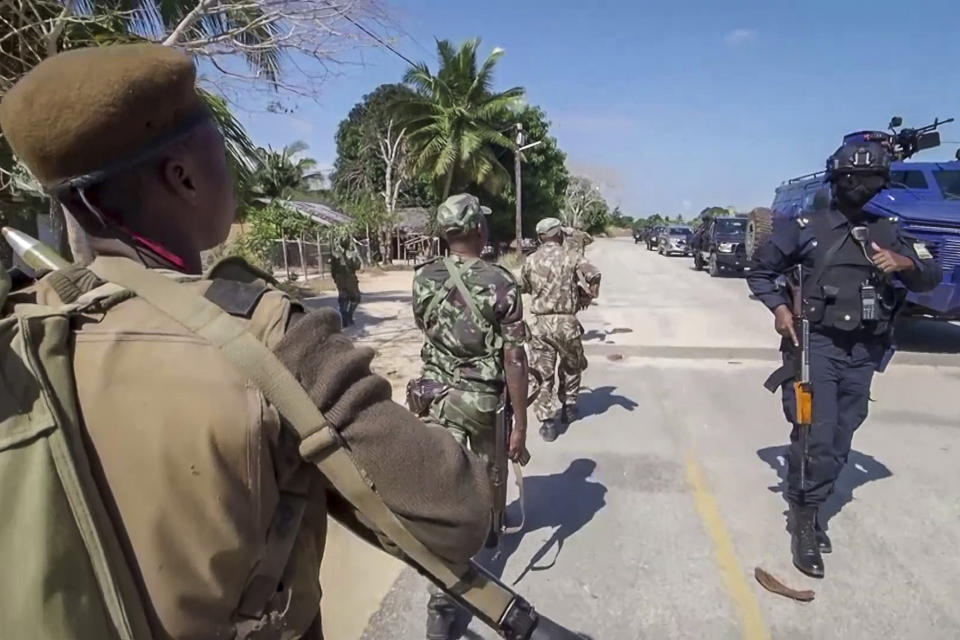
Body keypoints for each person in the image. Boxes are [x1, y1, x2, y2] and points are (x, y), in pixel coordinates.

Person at [0, 44, 495, 639]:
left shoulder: (24, 331)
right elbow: (458, 512)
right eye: (222, 152)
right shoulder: (271, 338)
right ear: (182, 176)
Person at [747, 136, 940, 579]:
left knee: (842, 436)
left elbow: (931, 275)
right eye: (854, 178)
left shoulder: (889, 230)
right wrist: (779, 309)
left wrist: (904, 264)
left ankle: (812, 505)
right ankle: (804, 520)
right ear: (837, 180)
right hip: (817, 347)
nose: (861, 187)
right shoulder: (804, 226)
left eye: (870, 179)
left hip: (864, 350)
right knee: (815, 433)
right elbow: (760, 271)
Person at [409, 193, 529, 640]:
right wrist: (520, 423)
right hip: (479, 402)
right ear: (478, 229)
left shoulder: (423, 278)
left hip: (430, 397)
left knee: (443, 491)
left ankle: (471, 548)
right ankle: (445, 599)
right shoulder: (500, 282)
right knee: (478, 487)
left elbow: (429, 332)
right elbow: (514, 359)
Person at [522, 217, 601, 442]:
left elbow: (525, 287)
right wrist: (589, 294)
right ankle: (568, 407)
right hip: (567, 324)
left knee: (541, 372)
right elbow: (594, 273)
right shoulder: (572, 256)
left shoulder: (530, 260)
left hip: (541, 325)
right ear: (559, 235)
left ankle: (547, 422)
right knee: (572, 366)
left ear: (540, 238)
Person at [330, 232, 362, 326]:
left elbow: (332, 268)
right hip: (350, 278)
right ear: (348, 243)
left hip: (340, 279)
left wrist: (335, 279)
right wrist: (355, 257)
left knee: (343, 300)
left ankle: (345, 317)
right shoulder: (352, 254)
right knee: (356, 298)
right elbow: (357, 266)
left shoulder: (335, 254)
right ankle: (349, 315)